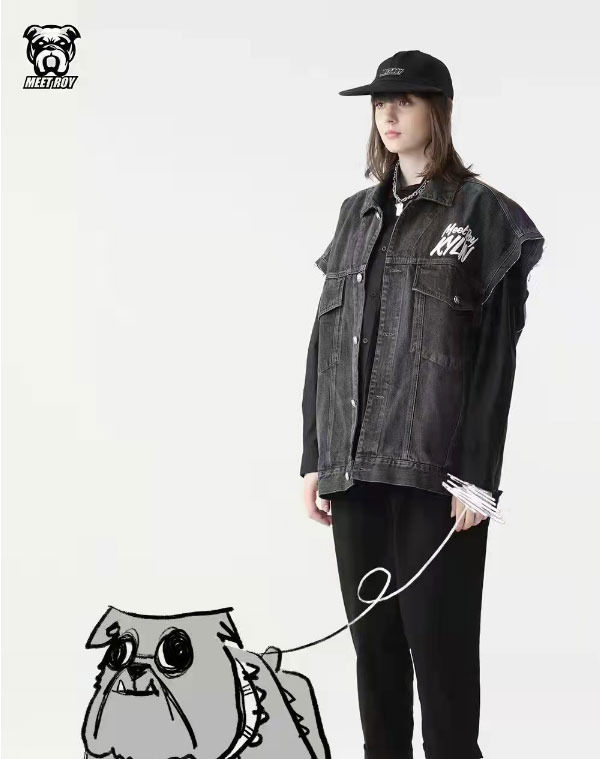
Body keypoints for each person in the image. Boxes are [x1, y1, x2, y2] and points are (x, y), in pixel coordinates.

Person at [299, 50, 544, 759]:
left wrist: (477, 478)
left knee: (441, 654)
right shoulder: (355, 215)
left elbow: (495, 359)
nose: (389, 113)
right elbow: (325, 341)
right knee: (374, 655)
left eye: (405, 100)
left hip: (438, 476)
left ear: (439, 109)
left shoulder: (484, 215)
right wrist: (315, 456)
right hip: (354, 472)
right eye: (381, 102)